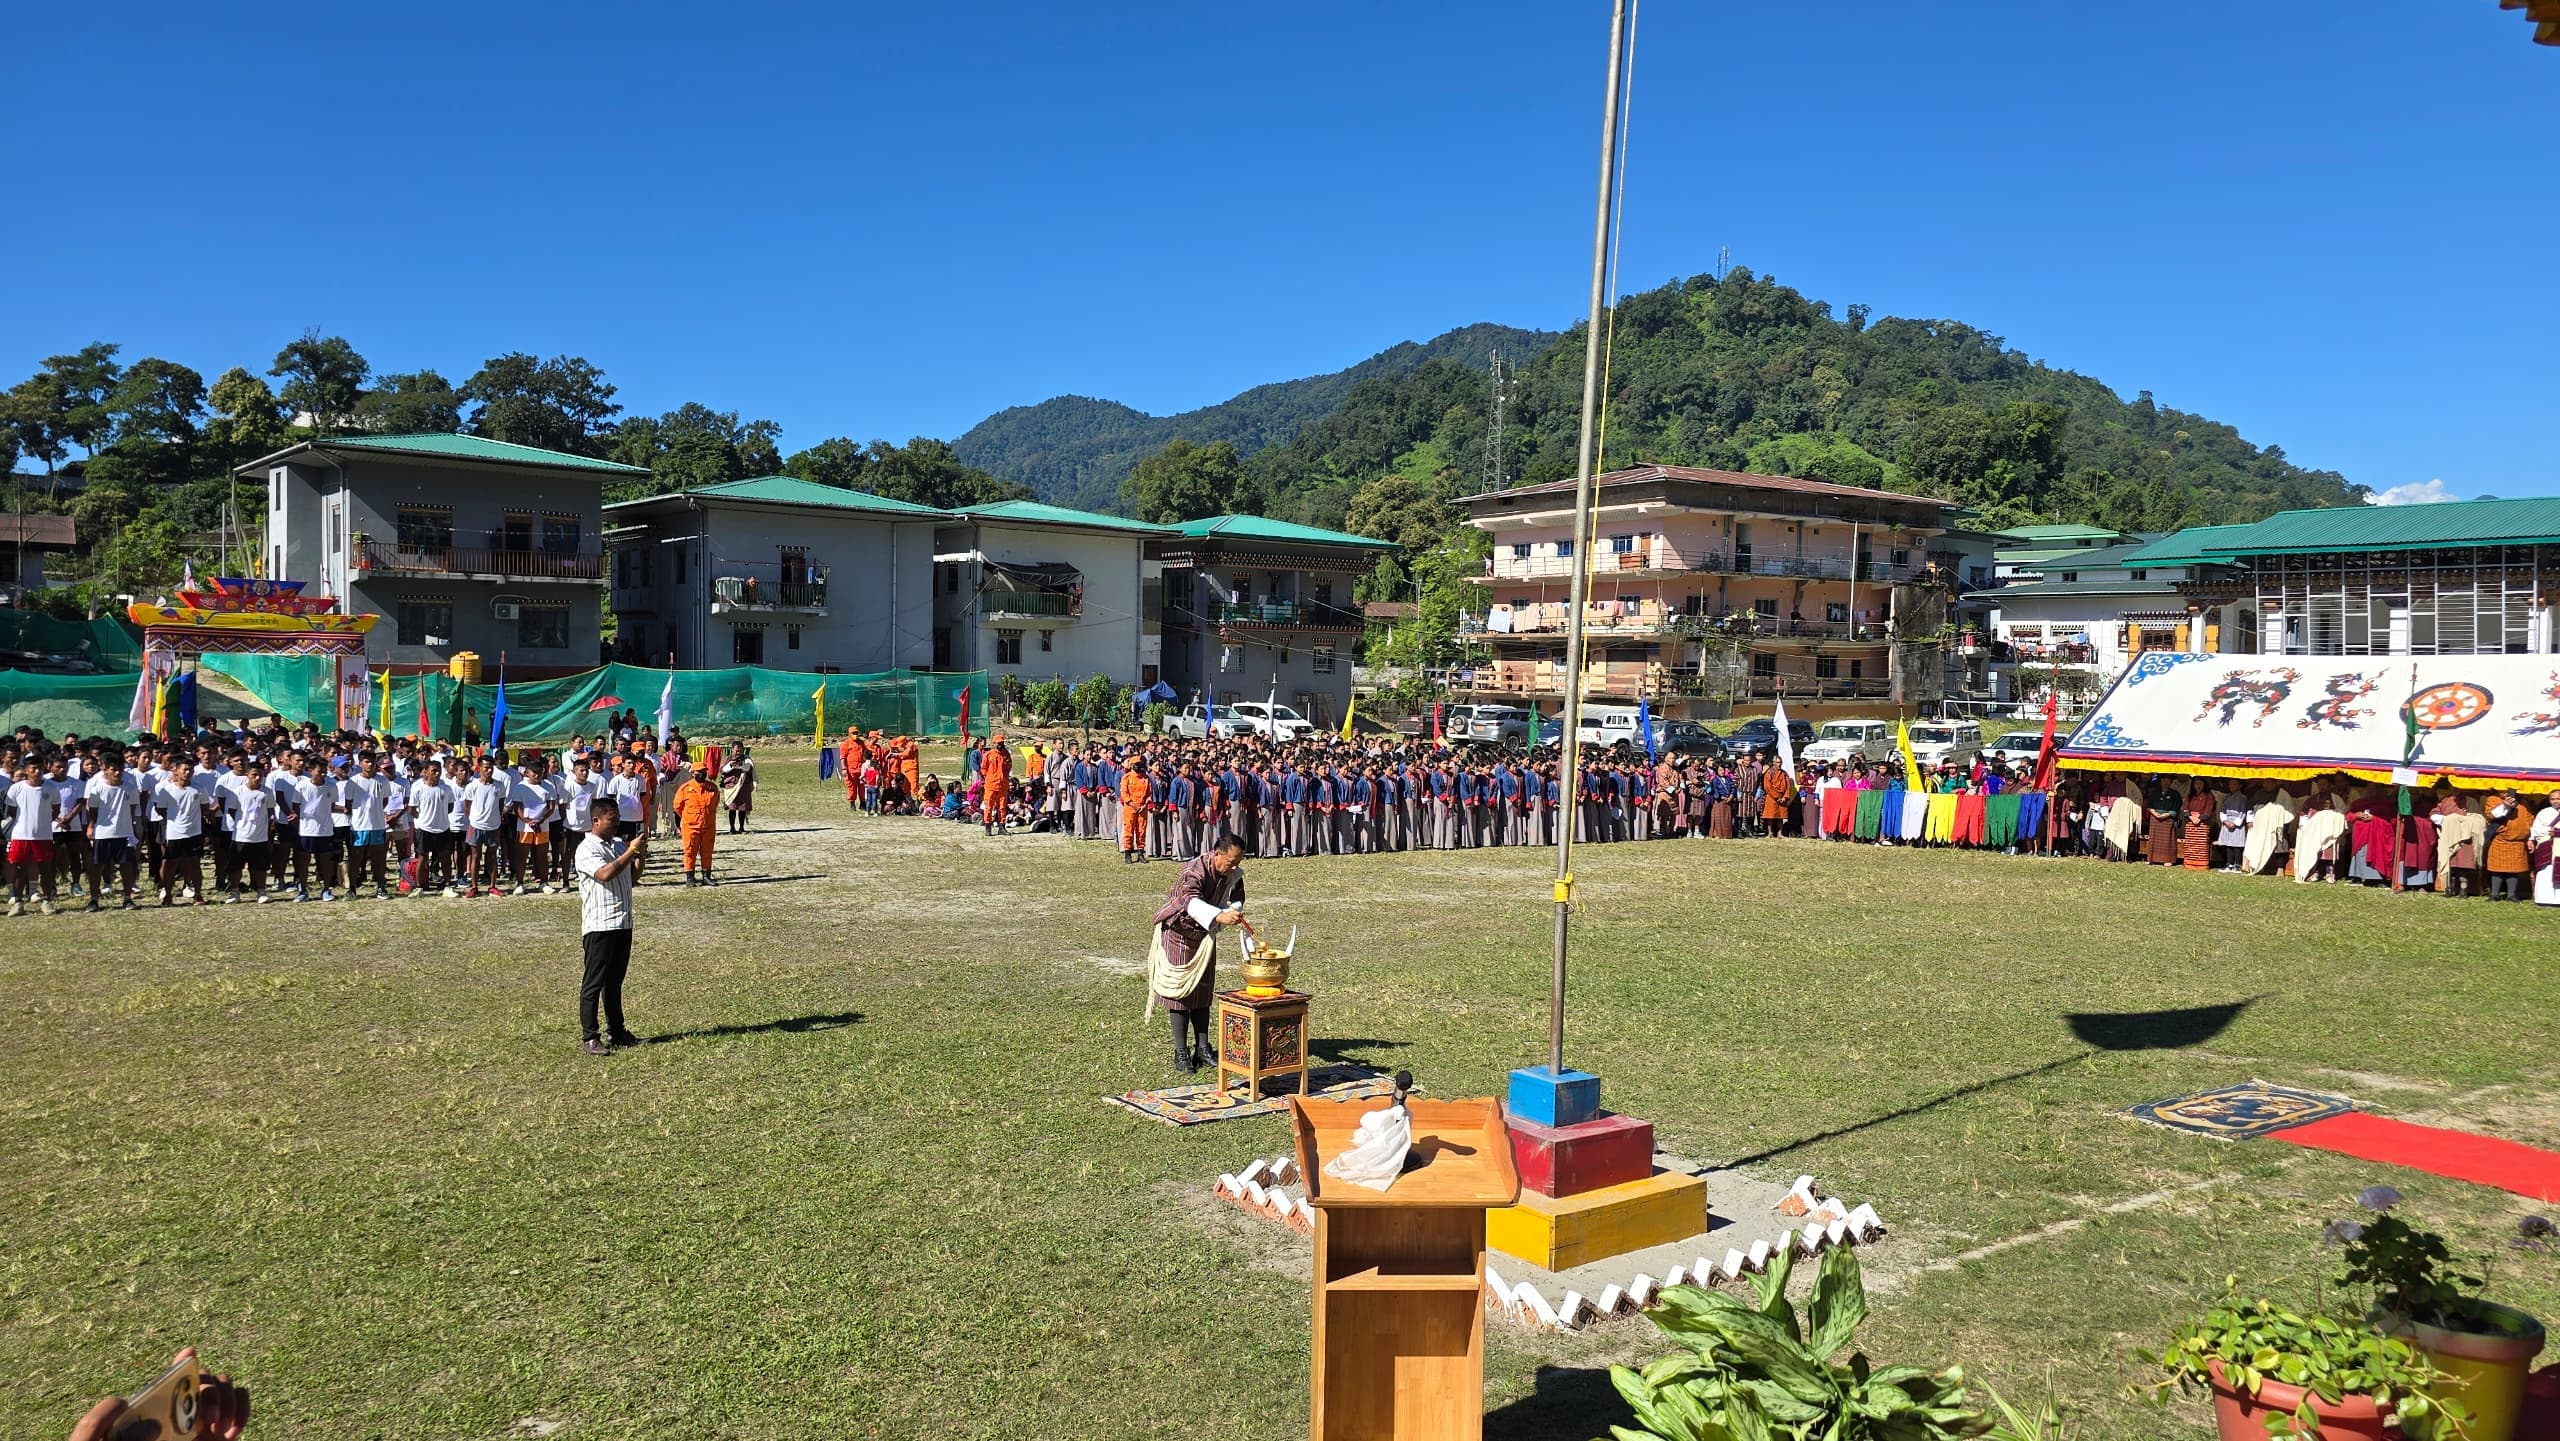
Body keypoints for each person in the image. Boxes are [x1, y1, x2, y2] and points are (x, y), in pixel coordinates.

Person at [1146, 831, 1248, 1074]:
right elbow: (1190, 901)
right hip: (1179, 934)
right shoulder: (1194, 870)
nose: (1233, 867)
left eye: (1238, 863)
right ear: (1217, 854)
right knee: (1180, 994)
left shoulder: (1232, 874)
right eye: (1231, 861)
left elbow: (1238, 897)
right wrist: (1219, 915)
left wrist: (1233, 909)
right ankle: (1181, 1052)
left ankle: (1203, 1048)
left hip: (1204, 937)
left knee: (1202, 993)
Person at [574, 806, 647, 1055]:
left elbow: (633, 876)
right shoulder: (587, 848)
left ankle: (617, 1030)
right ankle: (590, 1036)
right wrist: (632, 850)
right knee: (594, 983)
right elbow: (605, 874)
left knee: (614, 982)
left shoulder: (616, 845)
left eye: (617, 820)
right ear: (595, 820)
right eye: (611, 820)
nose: (616, 825)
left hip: (622, 922)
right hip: (600, 925)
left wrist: (639, 854)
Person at [671, 764, 721, 886]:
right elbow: (677, 807)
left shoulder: (712, 787)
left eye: (704, 771)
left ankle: (706, 876)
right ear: (693, 773)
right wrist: (688, 818)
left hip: (708, 825)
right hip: (690, 826)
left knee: (707, 852)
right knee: (690, 851)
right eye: (699, 772)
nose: (702, 774)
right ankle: (690, 877)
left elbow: (715, 803)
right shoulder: (685, 788)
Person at [719, 742, 755, 834]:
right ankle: (732, 828)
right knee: (732, 807)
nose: (738, 752)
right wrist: (731, 765)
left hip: (743, 786)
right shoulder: (727, 759)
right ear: (732, 749)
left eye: (740, 750)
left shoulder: (747, 759)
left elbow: (750, 768)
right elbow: (722, 770)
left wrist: (741, 765)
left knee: (742, 808)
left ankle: (742, 827)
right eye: (737, 750)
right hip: (731, 785)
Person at [980, 737, 1013, 837]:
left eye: (1002, 743)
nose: (1000, 745)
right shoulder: (988, 755)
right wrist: (989, 778)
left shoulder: (1006, 754)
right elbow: (983, 769)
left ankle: (1002, 827)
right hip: (991, 785)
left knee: (1002, 808)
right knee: (988, 807)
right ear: (994, 744)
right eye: (998, 743)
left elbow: (1009, 767)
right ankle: (987, 827)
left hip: (1003, 785)